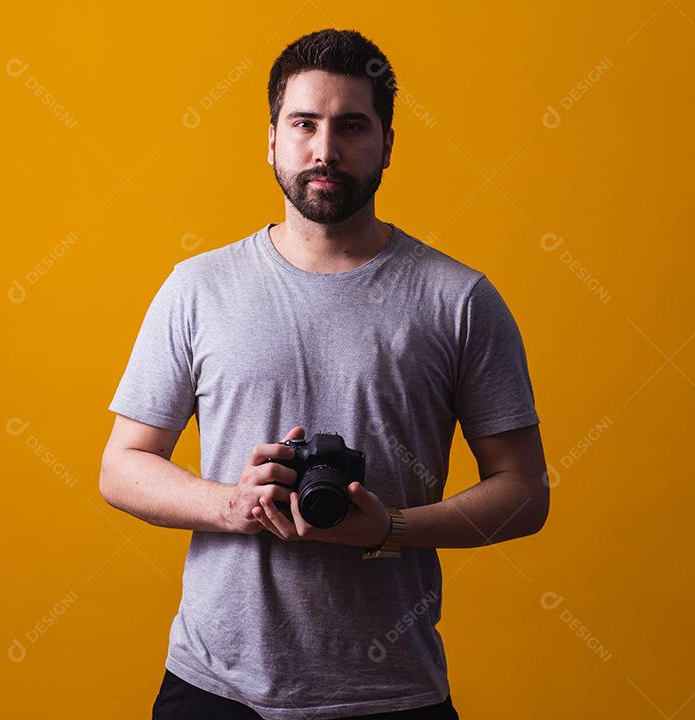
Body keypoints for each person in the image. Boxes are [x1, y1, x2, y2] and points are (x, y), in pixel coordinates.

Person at [100, 27, 549, 720]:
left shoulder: (458, 300)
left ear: (388, 145)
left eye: (352, 127)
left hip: (392, 694)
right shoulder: (197, 288)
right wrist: (236, 505)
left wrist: (391, 527)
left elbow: (524, 491)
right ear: (271, 139)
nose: (325, 150)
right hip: (215, 690)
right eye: (304, 123)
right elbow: (122, 466)